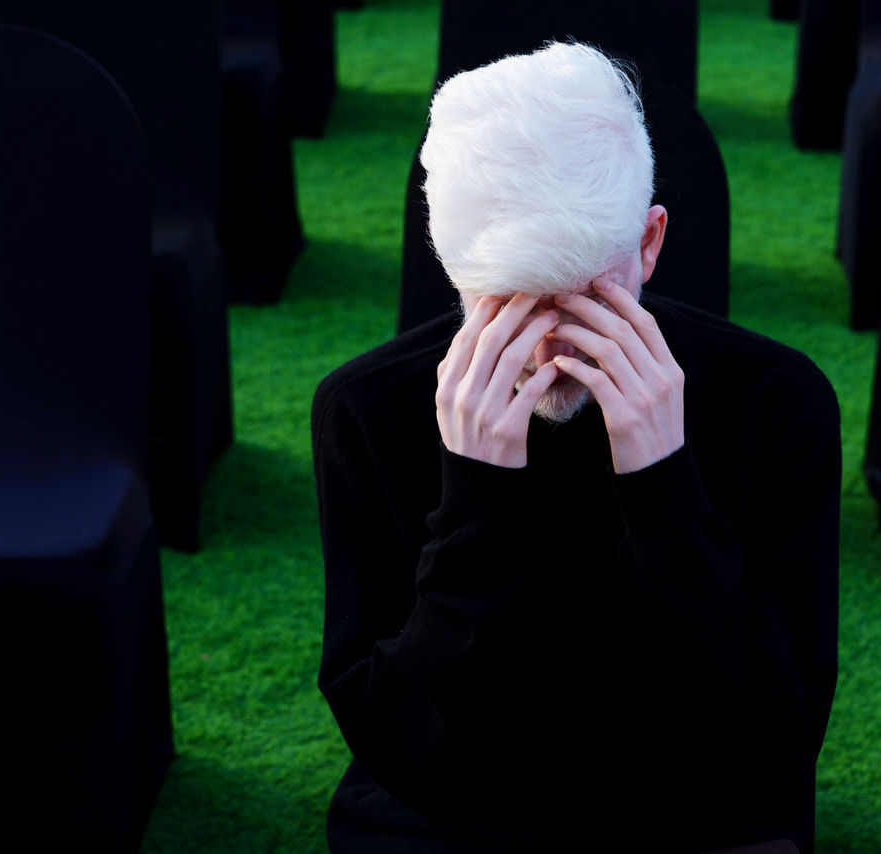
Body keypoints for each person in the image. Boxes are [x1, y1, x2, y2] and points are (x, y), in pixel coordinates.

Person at [312, 42, 840, 853]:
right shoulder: (366, 411)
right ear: (452, 266)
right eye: (509, 299)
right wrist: (474, 503)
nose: (548, 344)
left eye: (589, 293)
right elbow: (398, 749)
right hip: (456, 805)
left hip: (695, 809)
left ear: (651, 243)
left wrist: (664, 484)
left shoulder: (777, 402)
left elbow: (770, 749)